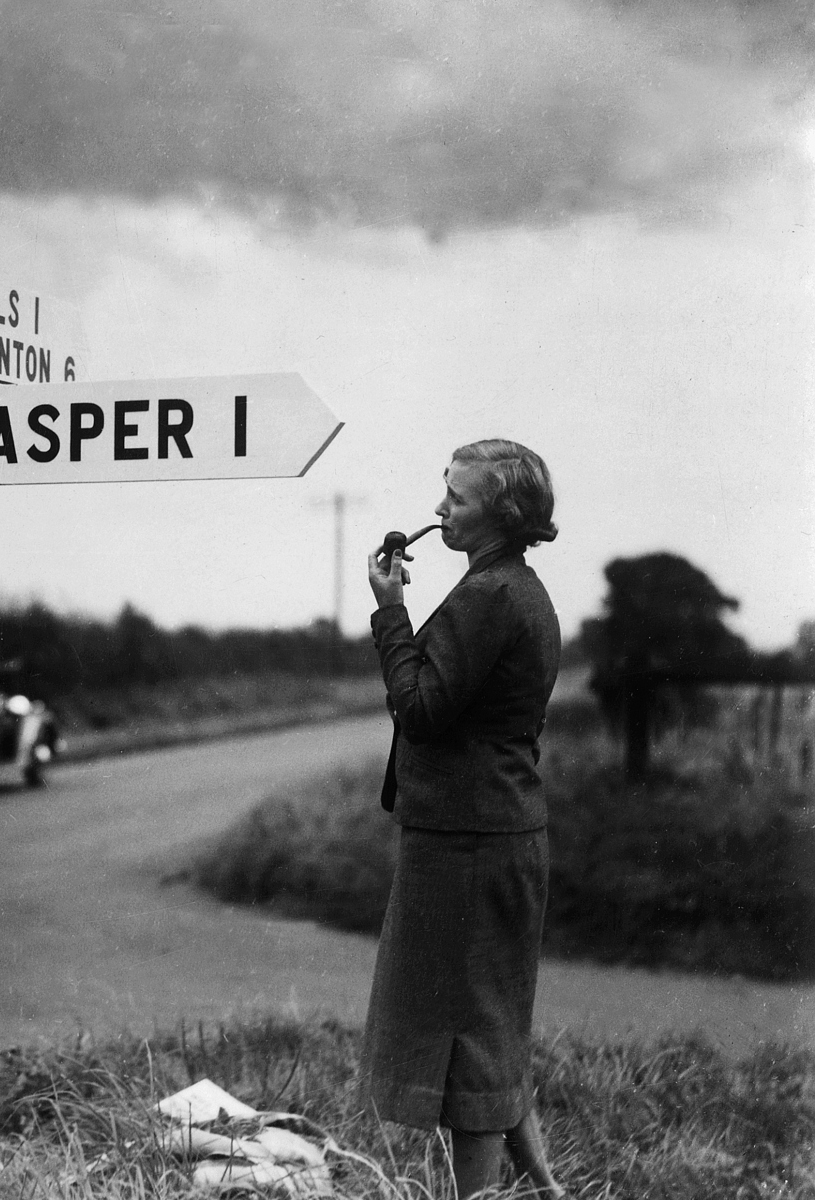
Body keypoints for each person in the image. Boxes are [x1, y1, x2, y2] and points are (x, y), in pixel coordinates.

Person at [361, 439, 567, 1199]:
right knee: (489, 1027)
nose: (439, 508)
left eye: (457, 497)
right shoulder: (521, 589)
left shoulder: (486, 596)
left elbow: (419, 710)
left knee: (470, 1047)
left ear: (502, 513)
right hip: (497, 832)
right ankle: (546, 1187)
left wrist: (390, 615)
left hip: (467, 843)